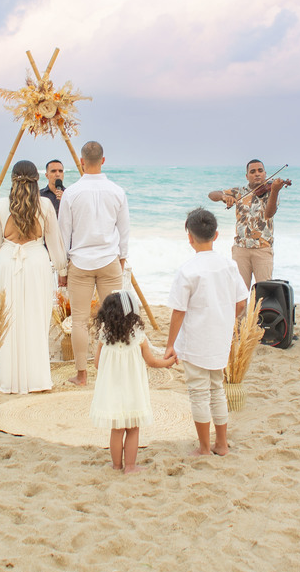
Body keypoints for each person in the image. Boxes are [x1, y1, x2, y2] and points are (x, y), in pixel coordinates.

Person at [164, 208, 248, 457]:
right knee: (217, 389)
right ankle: (221, 444)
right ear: (216, 235)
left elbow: (178, 311)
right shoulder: (229, 265)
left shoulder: (188, 270)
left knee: (198, 392)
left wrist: (170, 344)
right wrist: (225, 320)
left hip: (195, 341)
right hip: (219, 338)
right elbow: (241, 303)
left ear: (189, 237)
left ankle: (203, 447)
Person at [0, 160, 67, 394]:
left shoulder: (0, 205)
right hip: (36, 264)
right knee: (35, 318)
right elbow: (54, 242)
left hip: (6, 264)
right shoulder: (45, 205)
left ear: (12, 180)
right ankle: (34, 378)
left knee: (5, 318)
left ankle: (4, 377)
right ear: (37, 180)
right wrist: (62, 270)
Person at [58, 141, 129, 386]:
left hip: (80, 262)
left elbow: (63, 233)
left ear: (81, 162)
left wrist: (62, 268)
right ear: (103, 160)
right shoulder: (117, 191)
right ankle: (112, 373)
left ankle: (81, 375)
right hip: (110, 260)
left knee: (79, 320)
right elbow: (124, 231)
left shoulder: (71, 193)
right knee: (114, 319)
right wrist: (121, 259)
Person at [88, 290, 176, 473]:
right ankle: (130, 466)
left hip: (112, 392)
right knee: (133, 429)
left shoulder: (104, 337)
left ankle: (116, 465)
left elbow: (97, 364)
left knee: (116, 430)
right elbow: (152, 362)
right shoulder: (139, 338)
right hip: (133, 391)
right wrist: (168, 362)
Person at [208, 159, 286, 290]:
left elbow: (269, 213)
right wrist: (224, 197)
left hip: (263, 249)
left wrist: (275, 191)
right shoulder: (239, 192)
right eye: (253, 172)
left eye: (260, 171)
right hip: (240, 249)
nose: (257, 174)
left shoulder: (272, 191)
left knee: (264, 293)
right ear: (247, 176)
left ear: (265, 174)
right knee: (239, 292)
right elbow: (212, 195)